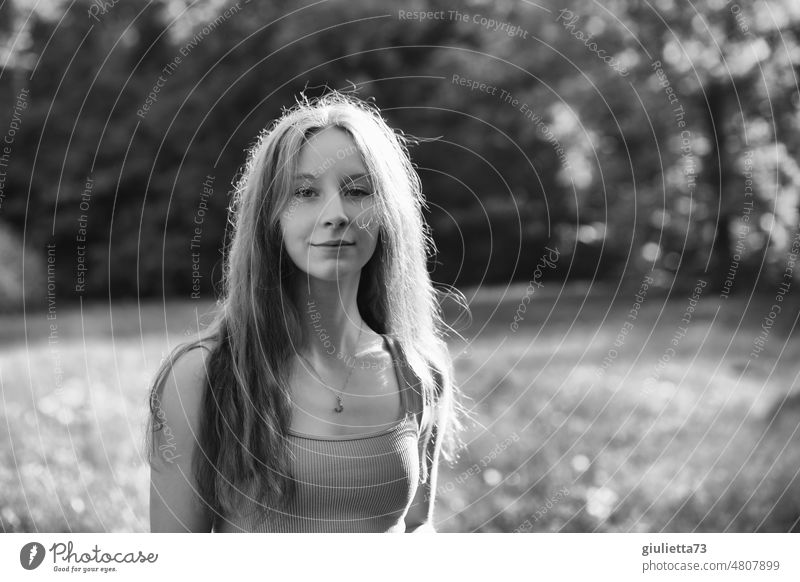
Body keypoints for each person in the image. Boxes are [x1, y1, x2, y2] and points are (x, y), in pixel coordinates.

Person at [146, 91, 468, 532]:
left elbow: (416, 533)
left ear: (388, 213)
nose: (335, 214)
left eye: (357, 190)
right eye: (305, 192)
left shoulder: (418, 371)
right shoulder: (200, 377)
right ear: (269, 216)